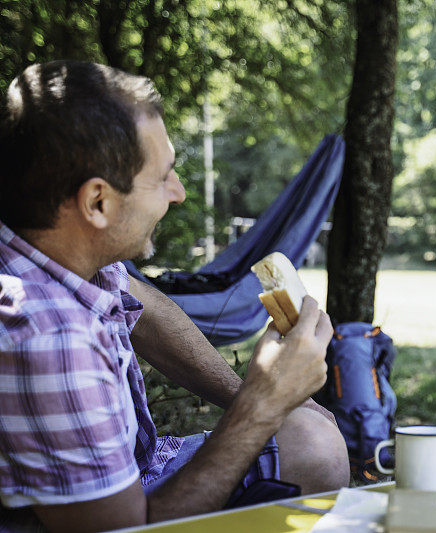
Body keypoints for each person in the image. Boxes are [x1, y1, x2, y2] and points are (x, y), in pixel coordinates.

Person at [0, 60, 349, 531]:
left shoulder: (60, 255)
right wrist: (261, 405)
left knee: (313, 435)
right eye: (162, 176)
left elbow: (142, 309)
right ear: (97, 202)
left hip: (132, 475)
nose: (179, 193)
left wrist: (254, 392)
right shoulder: (52, 337)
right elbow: (124, 530)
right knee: (316, 450)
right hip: (124, 518)